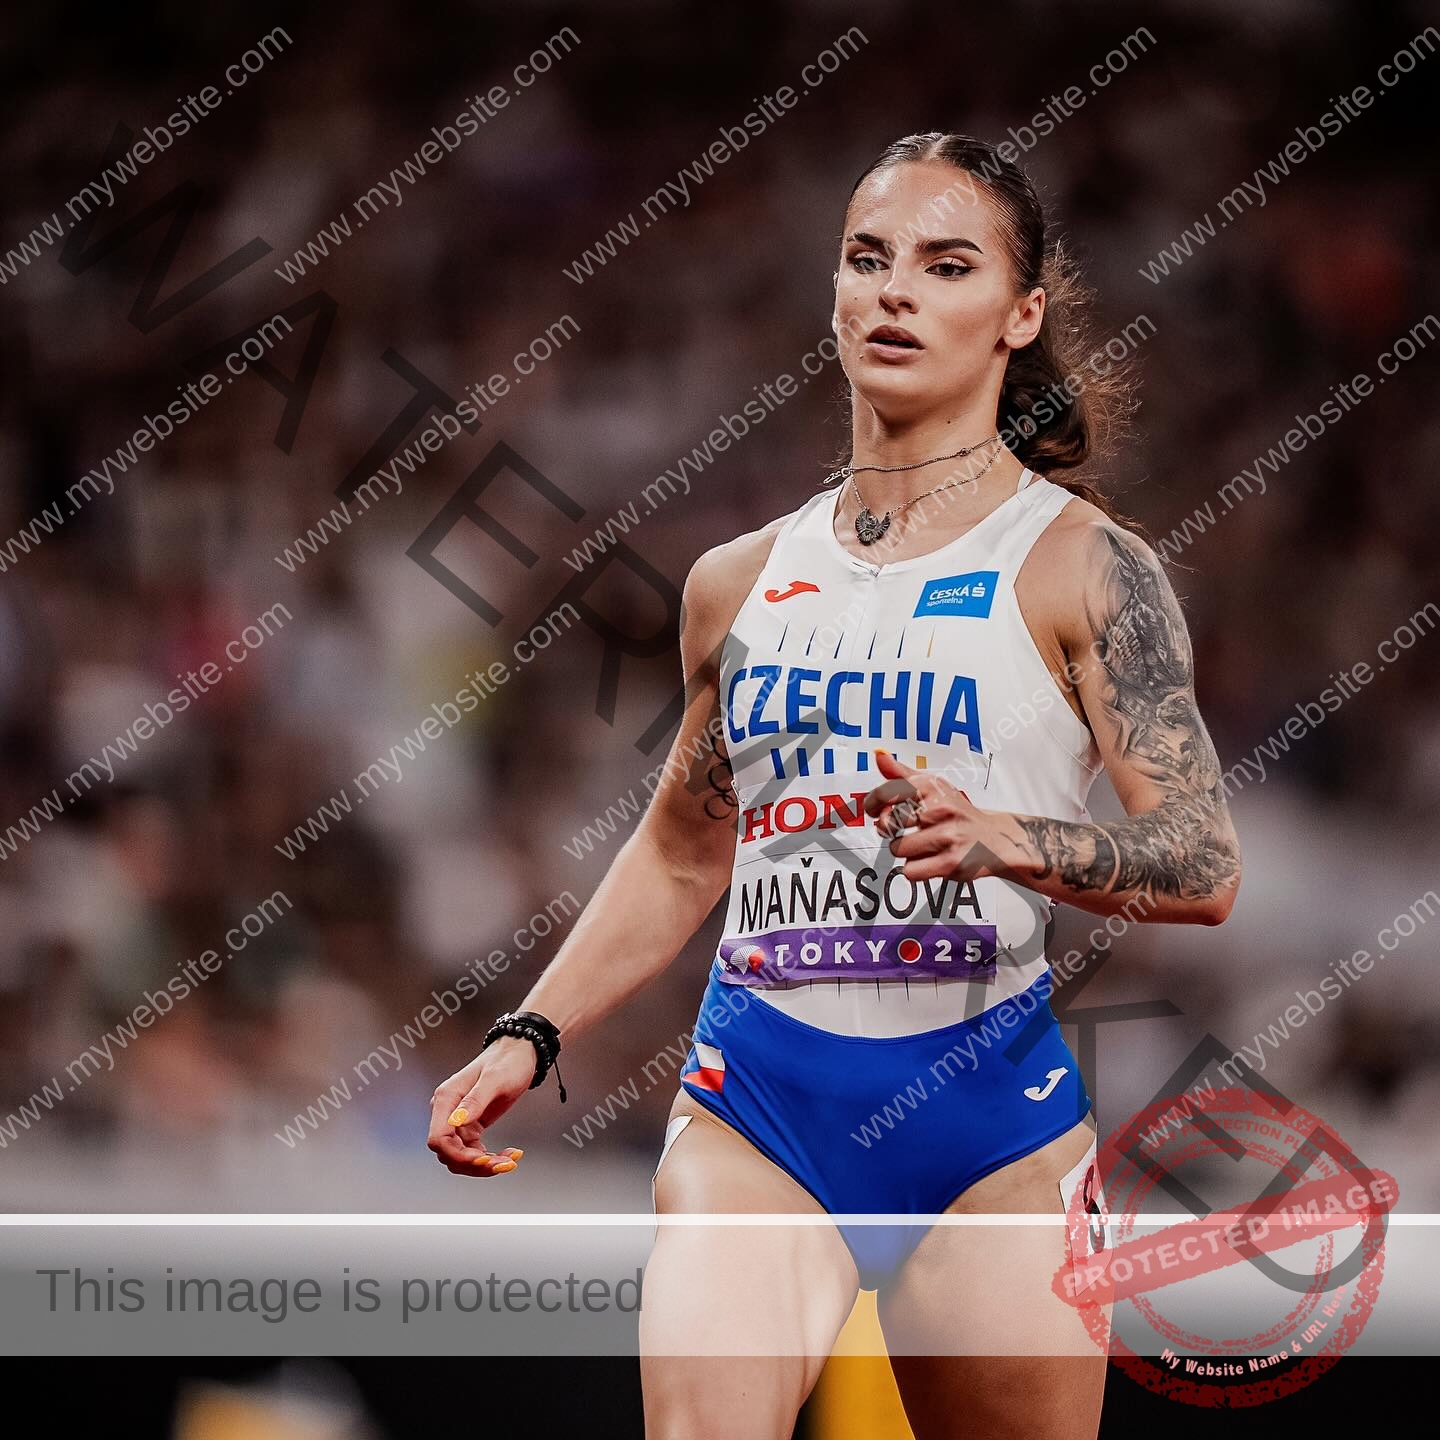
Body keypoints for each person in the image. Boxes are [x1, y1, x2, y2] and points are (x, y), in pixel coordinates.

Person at [428, 131, 1241, 1439]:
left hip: (992, 1129)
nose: (897, 291)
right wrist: (532, 1031)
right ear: (835, 292)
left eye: (946, 262)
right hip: (762, 1104)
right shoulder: (737, 583)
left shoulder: (1088, 570)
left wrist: (1011, 837)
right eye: (869, 258)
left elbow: (1204, 863)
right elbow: (685, 850)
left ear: (1018, 316)